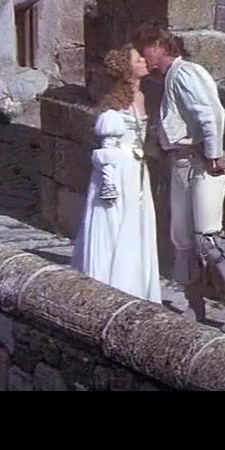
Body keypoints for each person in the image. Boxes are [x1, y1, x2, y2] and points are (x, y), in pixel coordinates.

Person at [133, 23, 225, 334]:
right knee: (181, 236)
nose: (143, 58)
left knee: (209, 236)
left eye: (145, 50)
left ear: (159, 47)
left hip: (200, 163)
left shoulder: (185, 73)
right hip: (180, 163)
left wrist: (214, 154)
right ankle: (194, 303)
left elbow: (211, 114)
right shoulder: (171, 78)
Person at [70, 46, 163, 304]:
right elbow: (106, 148)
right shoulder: (115, 105)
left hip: (136, 170)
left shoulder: (141, 96)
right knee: (115, 223)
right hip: (118, 171)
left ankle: (136, 287)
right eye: (137, 59)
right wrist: (109, 183)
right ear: (127, 69)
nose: (143, 60)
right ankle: (111, 286)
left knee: (136, 225)